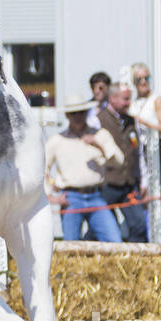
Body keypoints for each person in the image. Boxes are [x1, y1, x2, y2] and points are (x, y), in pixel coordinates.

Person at [45, 93, 125, 242]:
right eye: (74, 114)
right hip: (71, 197)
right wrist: (51, 197)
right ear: (68, 115)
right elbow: (42, 169)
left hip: (96, 195)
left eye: (81, 113)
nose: (78, 117)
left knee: (115, 242)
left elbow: (119, 161)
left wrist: (98, 145)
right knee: (70, 244)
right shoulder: (57, 140)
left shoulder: (99, 135)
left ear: (86, 113)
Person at [130, 61, 161, 241]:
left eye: (146, 78)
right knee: (144, 201)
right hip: (138, 153)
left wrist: (143, 122)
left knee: (157, 200)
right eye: (139, 79)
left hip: (153, 152)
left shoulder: (156, 101)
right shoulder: (134, 103)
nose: (143, 82)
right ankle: (148, 239)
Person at [96, 80, 147, 241]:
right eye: (125, 99)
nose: (128, 103)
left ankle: (134, 260)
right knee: (104, 227)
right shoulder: (98, 120)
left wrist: (143, 180)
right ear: (112, 98)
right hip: (107, 185)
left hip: (128, 185)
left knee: (139, 224)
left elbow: (138, 153)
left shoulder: (132, 121)